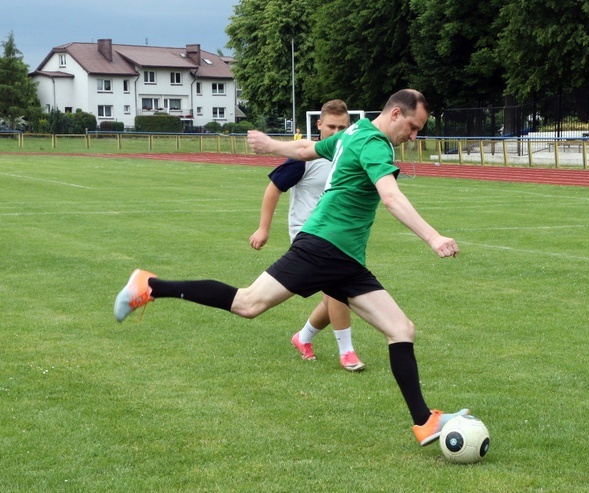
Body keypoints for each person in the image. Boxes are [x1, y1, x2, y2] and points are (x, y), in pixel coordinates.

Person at [114, 89, 469, 446]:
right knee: (248, 304)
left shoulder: (353, 132)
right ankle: (150, 285)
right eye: (412, 127)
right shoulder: (374, 142)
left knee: (401, 329)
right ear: (395, 114)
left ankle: (425, 422)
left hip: (346, 259)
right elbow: (391, 196)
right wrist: (433, 237)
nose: (413, 136)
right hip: (324, 248)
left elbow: (304, 150)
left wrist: (271, 145)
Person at [249, 99, 364, 371]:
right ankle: (347, 352)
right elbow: (273, 189)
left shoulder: (349, 154)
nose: (336, 134)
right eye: (331, 127)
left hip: (338, 234)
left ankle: (303, 338)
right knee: (338, 291)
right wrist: (264, 228)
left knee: (335, 294)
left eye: (343, 128)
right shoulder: (305, 157)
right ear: (319, 125)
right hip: (308, 234)